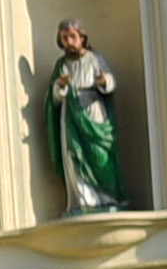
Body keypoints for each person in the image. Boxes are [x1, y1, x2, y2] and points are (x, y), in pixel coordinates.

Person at [45, 22, 125, 217]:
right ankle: (85, 200)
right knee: (74, 155)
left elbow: (110, 82)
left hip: (93, 109)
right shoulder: (61, 65)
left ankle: (108, 198)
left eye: (72, 36)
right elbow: (54, 98)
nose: (69, 42)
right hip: (70, 114)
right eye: (64, 38)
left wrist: (104, 81)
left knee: (100, 155)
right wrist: (60, 86)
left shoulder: (95, 59)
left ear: (82, 37)